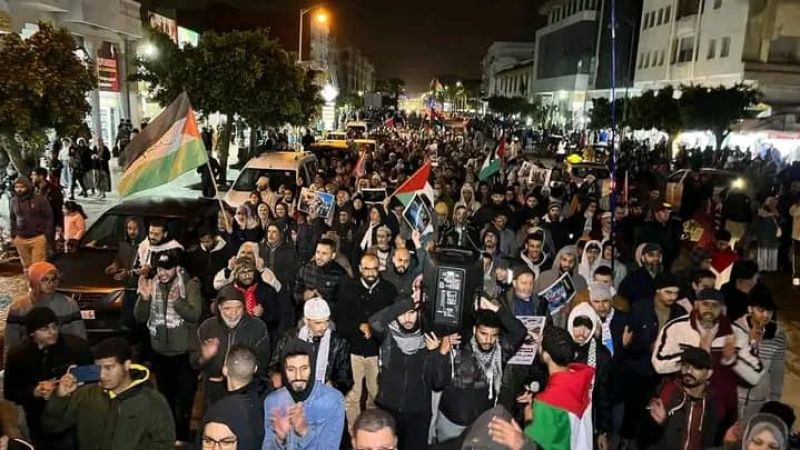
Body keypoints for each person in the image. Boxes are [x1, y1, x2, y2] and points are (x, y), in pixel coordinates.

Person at [652, 288, 766, 442]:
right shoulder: (676, 328)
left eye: (715, 305)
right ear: (696, 304)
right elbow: (659, 364)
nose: (710, 309)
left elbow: (755, 376)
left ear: (722, 308)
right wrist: (697, 353)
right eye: (705, 304)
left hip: (721, 409)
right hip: (679, 404)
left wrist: (732, 360)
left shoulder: (736, 334)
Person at [41, 337, 176, 450]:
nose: (102, 375)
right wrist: (60, 397)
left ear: (126, 365)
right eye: (98, 368)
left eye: (109, 367)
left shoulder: (152, 401)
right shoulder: (86, 394)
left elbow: (165, 443)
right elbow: (52, 427)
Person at [435, 299, 527, 442]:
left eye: (493, 335)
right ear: (474, 330)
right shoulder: (459, 347)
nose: (488, 340)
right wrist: (441, 352)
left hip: (481, 424)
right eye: (483, 333)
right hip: (451, 424)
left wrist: (495, 309)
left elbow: (519, 331)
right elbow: (437, 380)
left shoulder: (500, 352)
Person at [133, 251, 201, 443]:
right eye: (160, 268)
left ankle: (182, 437)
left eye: (167, 268)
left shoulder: (190, 284)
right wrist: (144, 299)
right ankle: (168, 436)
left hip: (183, 354)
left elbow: (195, 315)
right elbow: (139, 317)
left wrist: (178, 302)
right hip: (161, 354)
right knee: (165, 398)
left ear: (177, 268)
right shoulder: (152, 284)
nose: (163, 273)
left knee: (185, 399)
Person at [3, 307, 93, 449]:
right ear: (32, 332)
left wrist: (69, 384)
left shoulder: (76, 346)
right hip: (37, 420)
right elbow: (10, 392)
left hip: (72, 417)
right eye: (44, 329)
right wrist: (35, 392)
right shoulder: (18, 356)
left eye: (54, 326)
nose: (52, 332)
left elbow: (93, 377)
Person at [369, 298, 451, 450]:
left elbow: (439, 383)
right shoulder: (388, 334)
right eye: (402, 314)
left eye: (412, 313)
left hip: (418, 415)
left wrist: (437, 354)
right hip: (388, 409)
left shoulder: (430, 338)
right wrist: (408, 302)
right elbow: (374, 322)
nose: (407, 319)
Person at [334, 253, 398, 429]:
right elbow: (339, 321)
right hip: (353, 351)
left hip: (377, 352)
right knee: (352, 396)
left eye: (374, 269)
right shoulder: (349, 289)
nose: (371, 273)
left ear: (380, 269)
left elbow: (394, 321)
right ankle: (353, 432)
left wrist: (375, 328)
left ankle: (372, 429)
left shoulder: (389, 290)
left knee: (376, 395)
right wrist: (359, 326)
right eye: (367, 269)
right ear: (360, 269)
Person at [620, 272, 685, 441]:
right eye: (668, 292)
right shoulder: (640, 309)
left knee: (657, 416)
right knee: (633, 412)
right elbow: (629, 343)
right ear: (657, 290)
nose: (673, 297)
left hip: (665, 375)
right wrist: (646, 346)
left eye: (675, 293)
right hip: (639, 371)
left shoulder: (680, 313)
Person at [194, 285, 271, 407]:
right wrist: (204, 357)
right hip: (215, 392)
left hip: (247, 391)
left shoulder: (257, 327)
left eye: (238, 308)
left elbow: (263, 362)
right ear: (219, 307)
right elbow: (194, 363)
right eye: (227, 308)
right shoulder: (207, 327)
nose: (233, 313)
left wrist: (239, 375)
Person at [263, 338, 345, 450]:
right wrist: (279, 439)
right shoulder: (272, 401)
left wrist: (305, 432)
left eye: (304, 368)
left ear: (313, 368)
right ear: (283, 370)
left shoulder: (333, 401)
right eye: (291, 369)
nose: (298, 376)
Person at [523, 325, 595, 450]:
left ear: (546, 356)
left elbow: (535, 445)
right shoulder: (582, 380)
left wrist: (529, 420)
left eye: (540, 345)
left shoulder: (547, 403)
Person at [640, 346, 722, 449]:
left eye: (697, 367)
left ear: (709, 374)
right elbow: (644, 437)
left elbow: (710, 440)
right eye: (685, 365)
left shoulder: (712, 403)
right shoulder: (667, 392)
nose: (689, 371)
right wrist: (660, 424)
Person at [270, 298, 353, 396]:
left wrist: (333, 386)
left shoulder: (338, 342)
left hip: (325, 396)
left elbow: (346, 379)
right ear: (306, 321)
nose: (324, 326)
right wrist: (276, 374)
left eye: (326, 321)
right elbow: (275, 364)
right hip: (293, 393)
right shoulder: (290, 338)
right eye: (318, 323)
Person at [5, 261, 86, 357]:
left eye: (54, 279)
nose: (51, 283)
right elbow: (11, 341)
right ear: (34, 281)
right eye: (45, 279)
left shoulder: (69, 305)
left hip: (61, 358)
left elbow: (79, 337)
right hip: (30, 358)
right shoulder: (19, 307)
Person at [733, 293, 786, 421]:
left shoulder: (777, 336)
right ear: (750, 309)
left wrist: (774, 400)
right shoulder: (734, 330)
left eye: (769, 311)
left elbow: (777, 370)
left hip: (759, 400)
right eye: (761, 310)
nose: (766, 315)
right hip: (733, 398)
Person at [566, 302, 612, 448]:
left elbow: (603, 395)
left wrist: (602, 432)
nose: (582, 332)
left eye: (587, 326)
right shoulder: (560, 348)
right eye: (577, 325)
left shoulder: (601, 355)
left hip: (588, 420)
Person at [9, 176, 53, 268]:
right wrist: (14, 235)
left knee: (38, 266)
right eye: (17, 187)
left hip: (38, 237)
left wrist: (47, 235)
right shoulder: (13, 201)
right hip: (20, 238)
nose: (19, 189)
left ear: (28, 187)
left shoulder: (40, 200)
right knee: (26, 266)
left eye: (22, 187)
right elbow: (13, 218)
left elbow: (49, 217)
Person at [294, 239, 349, 309]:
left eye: (324, 253)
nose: (319, 257)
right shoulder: (306, 268)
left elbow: (344, 303)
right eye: (318, 252)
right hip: (307, 312)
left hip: (329, 314)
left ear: (333, 255)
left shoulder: (340, 274)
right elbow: (296, 293)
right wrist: (303, 296)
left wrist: (323, 302)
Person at [30, 166, 63, 243]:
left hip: (48, 226)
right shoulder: (35, 189)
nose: (31, 177)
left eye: (34, 175)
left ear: (41, 176)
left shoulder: (53, 191)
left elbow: (58, 209)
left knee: (47, 246)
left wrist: (60, 225)